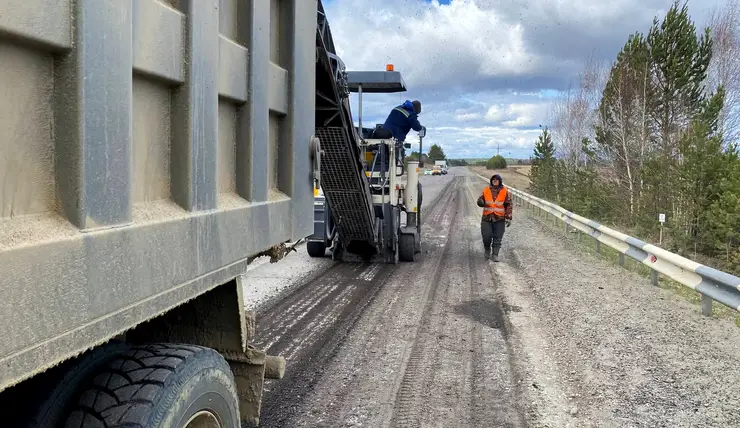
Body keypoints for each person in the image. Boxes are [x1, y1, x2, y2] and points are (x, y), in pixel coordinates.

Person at [476, 174, 512, 261]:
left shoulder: (505, 191)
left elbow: (509, 205)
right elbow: (480, 201)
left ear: (500, 181)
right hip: (487, 218)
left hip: (500, 219)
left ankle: (495, 254)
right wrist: (480, 202)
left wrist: (508, 217)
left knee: (498, 237)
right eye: (493, 179)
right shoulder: (486, 190)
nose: (495, 180)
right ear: (491, 181)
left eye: (497, 179)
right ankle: (487, 250)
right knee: (486, 236)